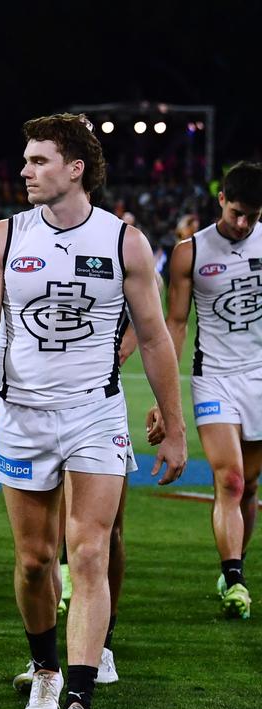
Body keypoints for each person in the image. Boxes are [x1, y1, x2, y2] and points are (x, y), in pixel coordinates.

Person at [0, 113, 186, 709]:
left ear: (75, 168)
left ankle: (79, 693)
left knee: (88, 551)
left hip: (95, 414)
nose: (24, 171)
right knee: (34, 561)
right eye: (26, 160)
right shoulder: (3, 237)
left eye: (38, 161)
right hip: (23, 415)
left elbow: (156, 338)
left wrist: (173, 425)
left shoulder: (123, 241)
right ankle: (46, 669)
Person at [161, 160, 262, 620]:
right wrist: (168, 397)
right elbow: (176, 324)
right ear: (221, 200)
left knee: (250, 488)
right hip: (215, 376)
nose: (243, 223)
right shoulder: (191, 252)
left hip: (260, 376)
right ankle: (235, 577)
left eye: (253, 216)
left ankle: (233, 565)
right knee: (231, 479)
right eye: (238, 212)